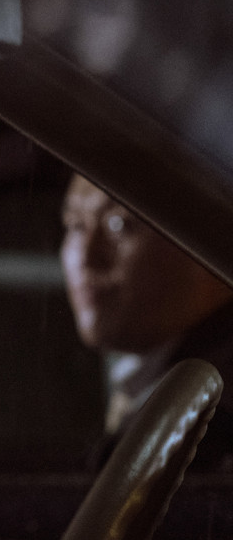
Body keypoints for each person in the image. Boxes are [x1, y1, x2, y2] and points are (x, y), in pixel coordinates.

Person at [60, 173, 233, 468]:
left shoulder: (207, 421)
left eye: (120, 224)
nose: (86, 257)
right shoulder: (178, 391)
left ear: (212, 241)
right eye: (76, 225)